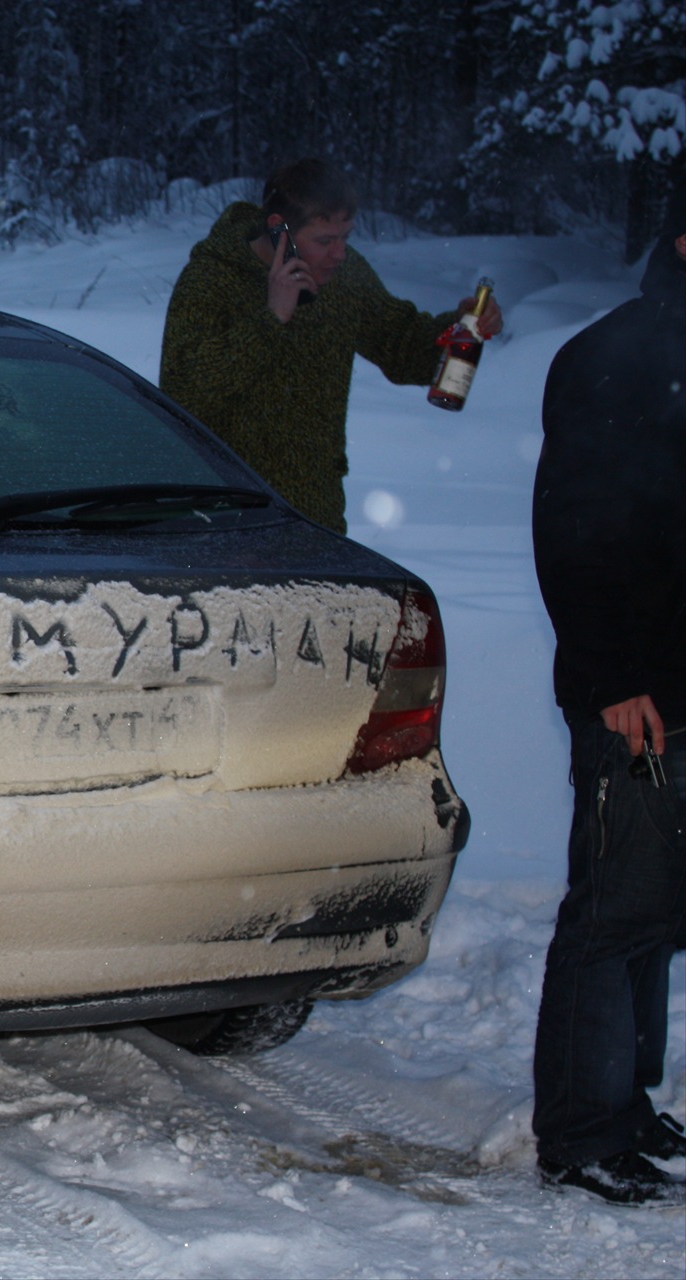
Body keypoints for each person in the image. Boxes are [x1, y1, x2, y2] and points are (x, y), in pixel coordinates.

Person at [529, 212, 686, 1205]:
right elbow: (573, 528)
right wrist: (612, 674)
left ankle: (624, 1099)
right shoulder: (613, 356)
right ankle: (582, 1124)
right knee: (616, 905)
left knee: (659, 906)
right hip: (634, 684)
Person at [159, 158, 501, 533]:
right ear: (278, 229)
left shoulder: (343, 276)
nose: (339, 253)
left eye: (346, 238)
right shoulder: (212, 278)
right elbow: (183, 396)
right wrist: (271, 318)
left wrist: (459, 328)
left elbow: (402, 348)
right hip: (222, 521)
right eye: (325, 241)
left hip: (315, 521)